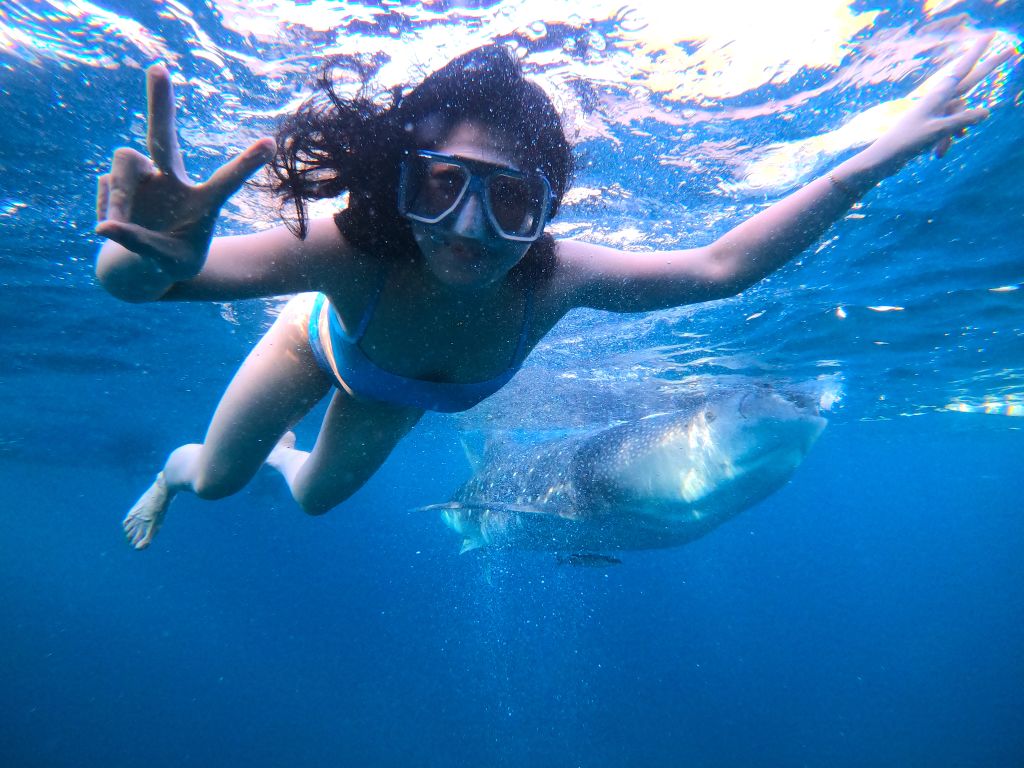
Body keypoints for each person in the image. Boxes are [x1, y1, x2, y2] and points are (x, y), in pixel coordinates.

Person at [95, 39, 1013, 550]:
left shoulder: (562, 278)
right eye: (441, 185)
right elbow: (144, 288)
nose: (467, 227)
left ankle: (284, 453)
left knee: (310, 501)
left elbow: (721, 268)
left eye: (510, 199)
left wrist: (869, 164)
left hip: (390, 396)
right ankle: (173, 472)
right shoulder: (352, 250)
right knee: (215, 482)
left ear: (546, 212)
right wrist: (144, 255)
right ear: (400, 187)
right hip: (316, 346)